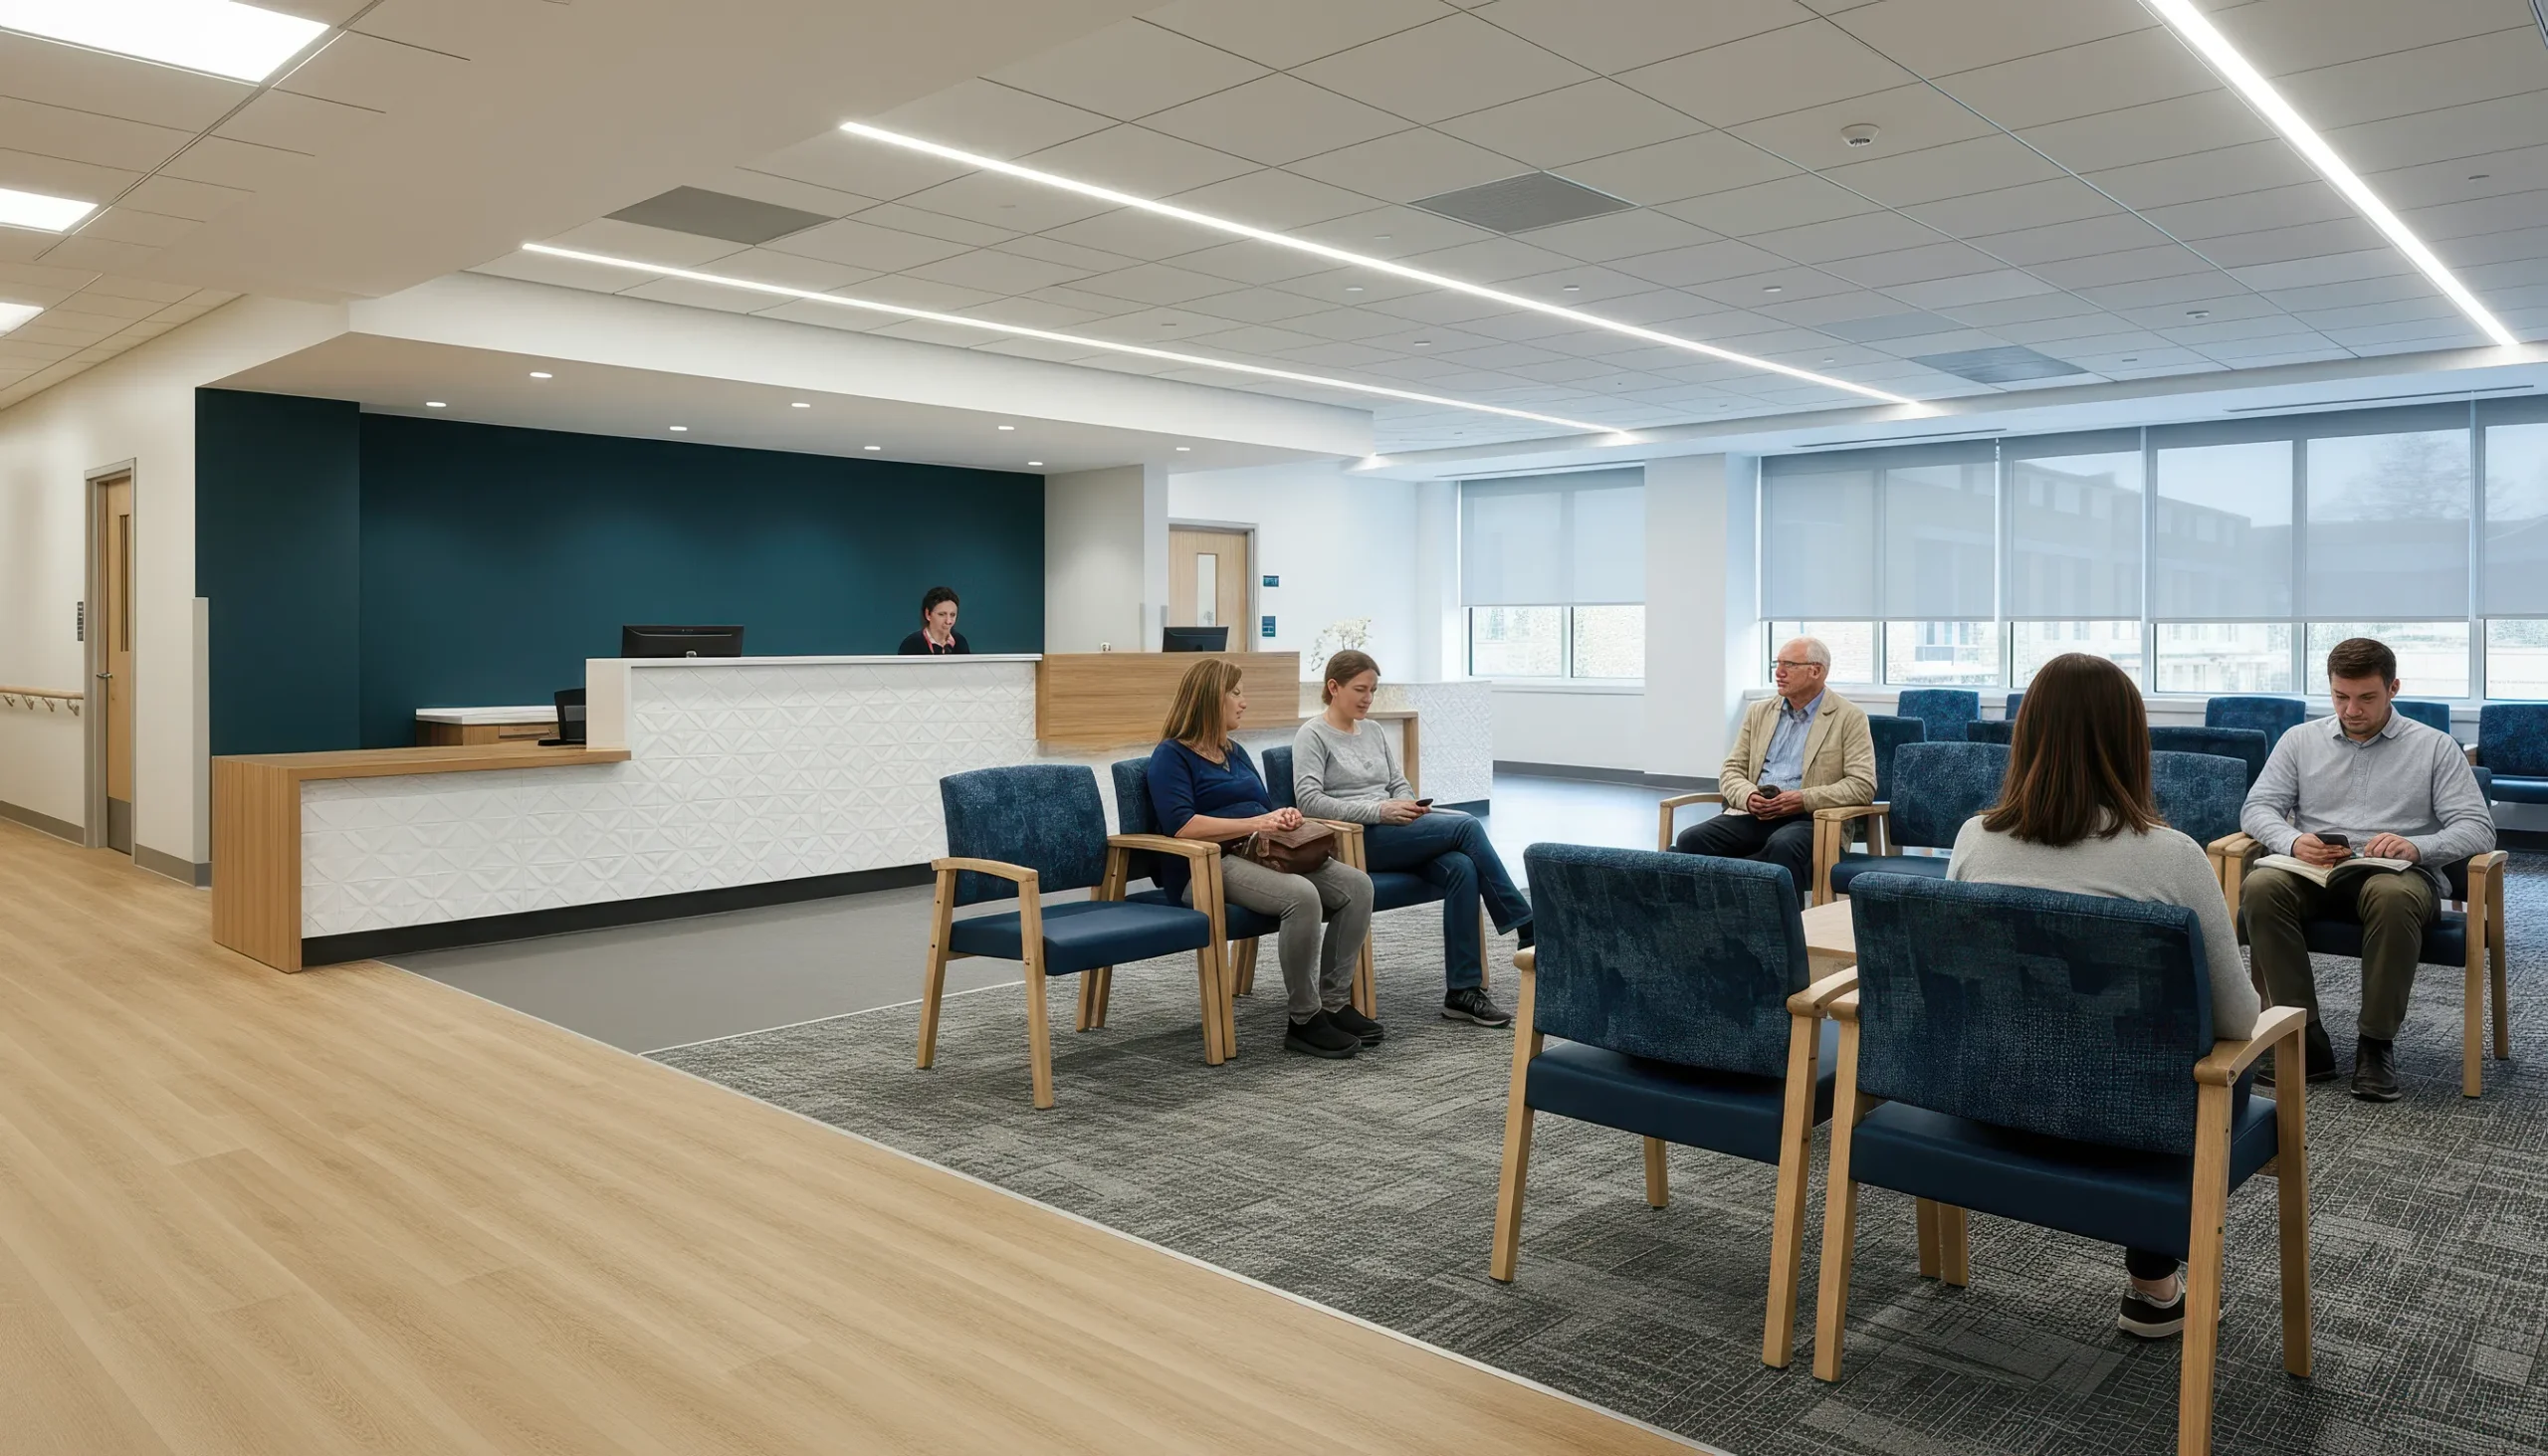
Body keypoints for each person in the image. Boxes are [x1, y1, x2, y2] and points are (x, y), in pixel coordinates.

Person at [1944, 652, 2259, 1341]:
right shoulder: (2173, 856)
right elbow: (2238, 1018)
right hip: (2127, 1116)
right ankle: (2152, 1285)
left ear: (2027, 736)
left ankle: (2155, 1286)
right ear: (2130, 742)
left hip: (1988, 1092)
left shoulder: (1974, 838)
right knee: (2192, 1059)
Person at [2239, 637, 2493, 1102]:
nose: (2351, 710)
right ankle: (2303, 1038)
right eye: (2340, 696)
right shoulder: (2299, 740)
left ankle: (2375, 1045)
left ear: (2393, 688)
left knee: (2391, 896)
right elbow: (2257, 809)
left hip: (2398, 877)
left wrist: (2416, 847)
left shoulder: (2434, 747)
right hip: (2314, 874)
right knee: (2260, 886)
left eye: (2366, 697)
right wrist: (2293, 841)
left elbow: (2478, 829)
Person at [1146, 657, 1376, 1060]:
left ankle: (1334, 1004)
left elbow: (1260, 806)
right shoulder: (1171, 756)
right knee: (1301, 896)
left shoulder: (1233, 751)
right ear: (1210, 699)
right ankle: (1304, 1019)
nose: (1243, 702)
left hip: (1259, 851)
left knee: (1358, 886)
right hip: (1205, 865)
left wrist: (1282, 817)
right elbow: (1182, 826)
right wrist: (1256, 822)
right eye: (1235, 693)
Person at [1292, 650, 1530, 1029]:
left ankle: (1462, 992)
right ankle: (1525, 923)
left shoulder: (1373, 731)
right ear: (1333, 687)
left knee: (1462, 867)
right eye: (1360, 689)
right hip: (1355, 840)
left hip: (1393, 831)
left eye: (1373, 690)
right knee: (1467, 825)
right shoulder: (1312, 735)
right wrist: (1380, 811)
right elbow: (1308, 802)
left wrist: (1408, 805)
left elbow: (1398, 783)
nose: (1368, 698)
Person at [1673, 636, 1875, 895]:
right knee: (1690, 840)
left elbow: (1862, 785)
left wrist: (1803, 799)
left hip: (1812, 819)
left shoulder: (1849, 717)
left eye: (1789, 664)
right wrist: (1748, 796)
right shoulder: (1758, 712)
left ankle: (1776, 917)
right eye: (1777, 664)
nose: (1778, 672)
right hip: (1756, 814)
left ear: (1816, 671)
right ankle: (1711, 914)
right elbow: (1732, 770)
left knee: (1783, 845)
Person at [897, 586, 969, 655]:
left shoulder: (960, 642)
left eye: (952, 615)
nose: (948, 621)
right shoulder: (911, 644)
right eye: (941, 614)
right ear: (928, 614)